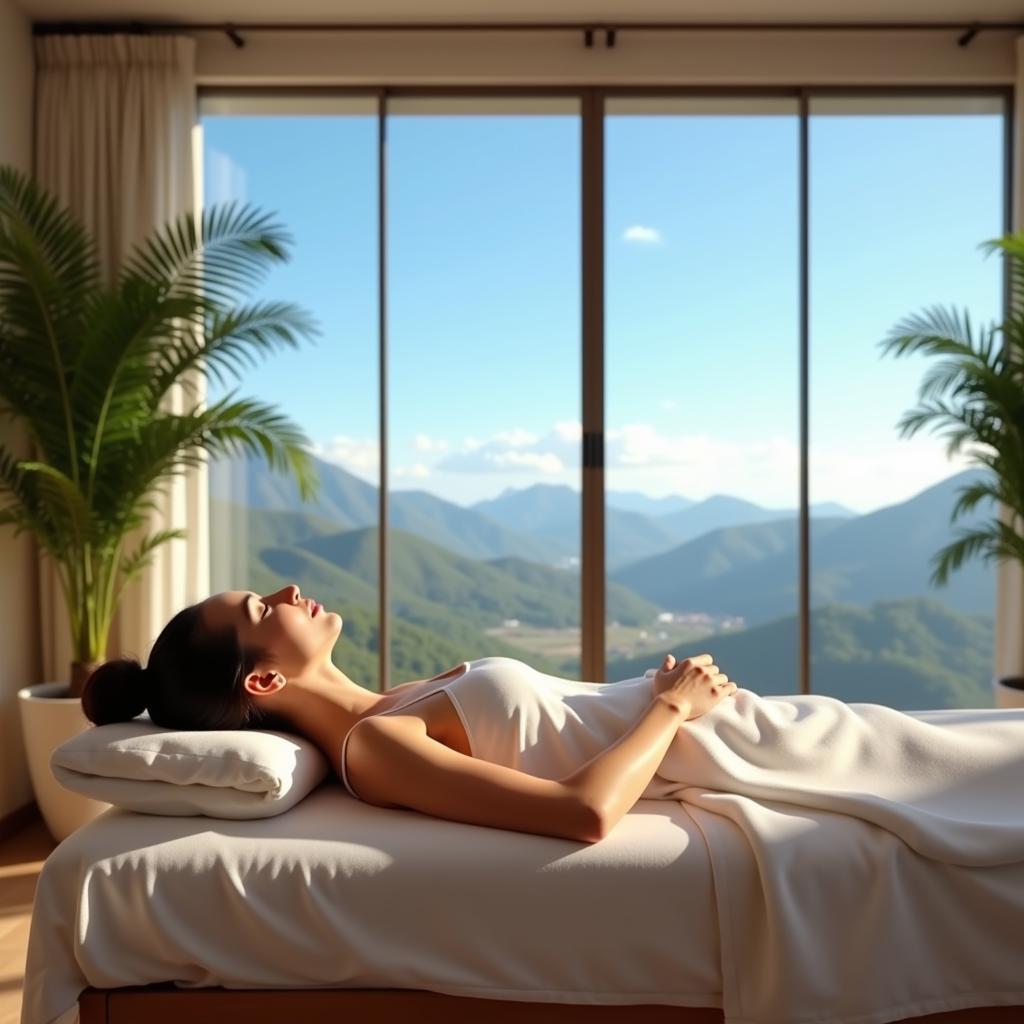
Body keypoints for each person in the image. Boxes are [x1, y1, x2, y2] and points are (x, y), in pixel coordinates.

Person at [82, 584, 737, 844]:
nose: (288, 591)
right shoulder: (375, 746)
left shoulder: (388, 703)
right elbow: (583, 813)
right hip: (711, 740)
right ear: (264, 679)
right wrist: (673, 703)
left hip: (730, 722)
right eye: (262, 607)